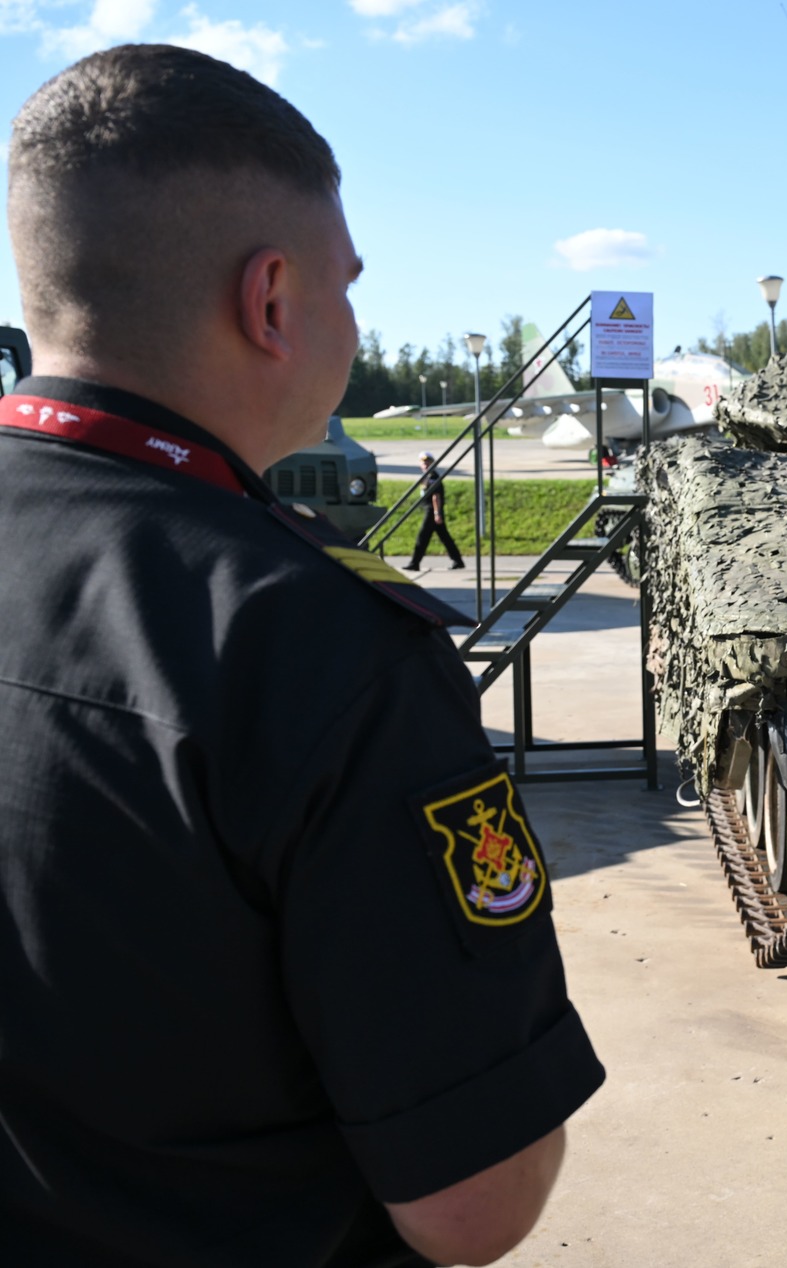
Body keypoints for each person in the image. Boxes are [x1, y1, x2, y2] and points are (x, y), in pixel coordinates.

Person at [0, 45, 603, 1266]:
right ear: (271, 300)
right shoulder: (313, 643)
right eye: (346, 285)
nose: (350, 318)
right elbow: (474, 1202)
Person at [405, 449, 466, 570]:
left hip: (432, 511)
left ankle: (414, 563)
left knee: (422, 537)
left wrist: (437, 514)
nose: (425, 464)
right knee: (445, 537)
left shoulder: (433, 477)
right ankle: (458, 561)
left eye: (428, 462)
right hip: (432, 511)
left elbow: (435, 496)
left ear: (433, 463)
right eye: (423, 462)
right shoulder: (427, 476)